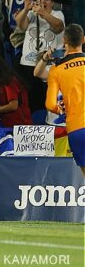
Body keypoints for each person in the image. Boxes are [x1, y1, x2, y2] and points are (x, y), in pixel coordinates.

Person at [15, 0, 64, 113]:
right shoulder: (31, 14)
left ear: (52, 3)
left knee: (47, 100)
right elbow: (21, 25)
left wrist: (43, 13)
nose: (42, 2)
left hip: (49, 66)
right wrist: (26, 9)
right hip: (28, 64)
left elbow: (59, 27)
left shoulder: (57, 14)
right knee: (31, 102)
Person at [45, 24, 85, 176]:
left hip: (76, 128)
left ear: (64, 40)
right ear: (83, 40)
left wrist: (60, 109)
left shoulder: (57, 69)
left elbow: (50, 104)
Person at [0, 54, 33, 127]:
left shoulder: (10, 81)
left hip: (20, 126)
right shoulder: (3, 83)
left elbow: (13, 105)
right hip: (8, 125)